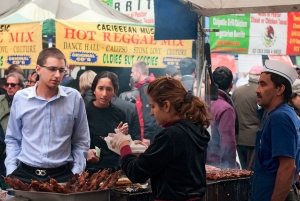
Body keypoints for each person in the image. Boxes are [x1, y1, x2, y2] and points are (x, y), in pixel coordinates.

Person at [109, 77, 211, 200]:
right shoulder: (194, 129)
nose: (151, 112)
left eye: (153, 106)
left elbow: (136, 173)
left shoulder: (171, 135)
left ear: (166, 106)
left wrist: (123, 144)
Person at [5, 47, 90, 184]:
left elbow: (81, 140)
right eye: (52, 69)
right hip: (25, 175)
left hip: (62, 175)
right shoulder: (21, 98)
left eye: (61, 70)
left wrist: (76, 173)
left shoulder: (74, 98)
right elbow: (13, 138)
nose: (57, 75)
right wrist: (11, 170)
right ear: (38, 69)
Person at [249, 60, 300, 201]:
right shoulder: (280, 113)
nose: (257, 90)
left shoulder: (280, 117)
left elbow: (288, 167)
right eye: (258, 83)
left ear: (280, 89)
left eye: (263, 84)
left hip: (272, 192)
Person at [85, 71, 128, 175]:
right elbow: (73, 141)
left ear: (115, 91)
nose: (104, 94)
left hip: (114, 168)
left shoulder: (120, 114)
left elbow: (124, 145)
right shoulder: (83, 112)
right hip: (90, 169)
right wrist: (85, 153)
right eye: (100, 88)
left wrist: (122, 137)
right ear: (94, 89)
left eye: (109, 89)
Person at [232, 65, 263, 170]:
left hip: (239, 138)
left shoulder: (237, 91)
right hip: (254, 138)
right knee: (252, 172)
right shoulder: (261, 92)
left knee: (243, 170)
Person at [207, 66, 238, 169]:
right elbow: (228, 143)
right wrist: (230, 169)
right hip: (217, 165)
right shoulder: (225, 109)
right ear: (231, 85)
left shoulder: (201, 101)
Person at [131, 61, 162, 146]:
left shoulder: (146, 88)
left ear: (139, 73)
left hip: (148, 135)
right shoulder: (150, 86)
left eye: (132, 72)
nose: (131, 75)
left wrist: (147, 136)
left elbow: (150, 113)